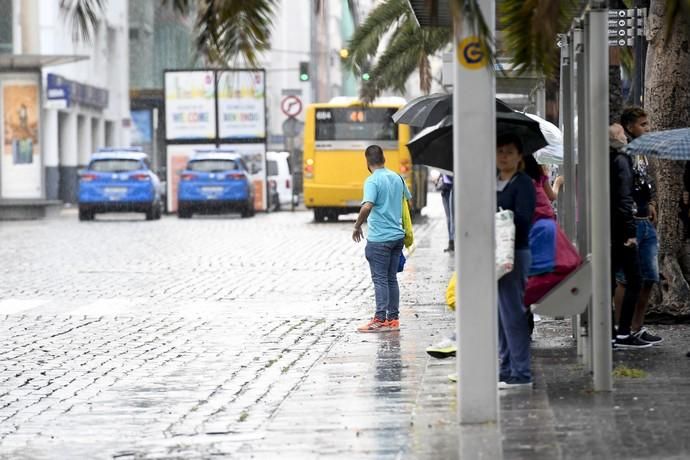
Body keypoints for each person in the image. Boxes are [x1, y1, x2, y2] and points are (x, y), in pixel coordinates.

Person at [615, 107, 662, 344]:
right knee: (626, 278)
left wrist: (652, 201)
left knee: (650, 277)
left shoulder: (642, 153)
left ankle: (637, 326)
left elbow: (648, 182)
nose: (647, 128)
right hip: (631, 222)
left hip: (646, 222)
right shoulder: (623, 154)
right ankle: (619, 327)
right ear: (629, 126)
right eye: (642, 124)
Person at [353, 145, 411, 333]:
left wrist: (357, 225)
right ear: (384, 159)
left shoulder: (372, 181)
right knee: (391, 278)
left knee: (380, 279)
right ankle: (393, 319)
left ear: (367, 162)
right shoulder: (397, 177)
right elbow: (406, 199)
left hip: (380, 239)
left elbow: (367, 206)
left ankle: (379, 319)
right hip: (397, 236)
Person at [496, 133, 536, 389]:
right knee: (500, 315)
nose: (504, 156)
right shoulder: (493, 181)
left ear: (519, 156)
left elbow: (523, 220)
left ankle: (521, 372)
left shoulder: (523, 183)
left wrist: (499, 218)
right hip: (494, 254)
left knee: (513, 313)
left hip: (515, 253)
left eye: (509, 151)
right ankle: (506, 368)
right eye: (500, 151)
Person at [609, 123, 651, 348]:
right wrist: (630, 232)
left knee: (611, 280)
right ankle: (624, 332)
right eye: (620, 133)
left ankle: (612, 332)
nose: (625, 136)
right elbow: (624, 199)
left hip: (609, 228)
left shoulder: (607, 160)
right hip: (621, 230)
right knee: (635, 279)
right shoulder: (621, 160)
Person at [436, 174, 455, 252]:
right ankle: (451, 241)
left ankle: (453, 241)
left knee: (453, 217)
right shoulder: (444, 168)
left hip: (453, 190)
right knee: (449, 218)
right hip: (445, 191)